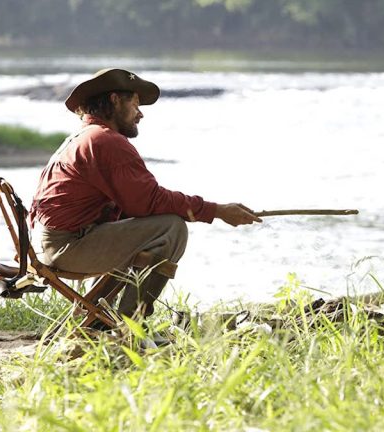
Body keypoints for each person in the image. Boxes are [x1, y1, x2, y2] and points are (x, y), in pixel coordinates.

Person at [29, 68, 262, 324]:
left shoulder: (85, 138)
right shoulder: (106, 142)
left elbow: (138, 205)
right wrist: (217, 210)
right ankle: (127, 325)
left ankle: (99, 317)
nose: (140, 114)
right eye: (136, 104)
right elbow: (150, 201)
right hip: (66, 247)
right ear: (115, 99)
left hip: (51, 244)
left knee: (145, 226)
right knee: (172, 228)